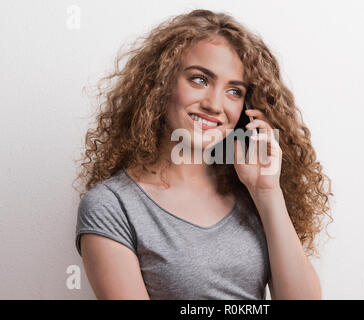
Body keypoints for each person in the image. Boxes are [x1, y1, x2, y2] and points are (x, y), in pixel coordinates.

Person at [73, 9, 333, 300]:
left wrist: (266, 191)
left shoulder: (249, 193)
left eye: (234, 91)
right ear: (160, 84)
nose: (214, 104)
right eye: (199, 80)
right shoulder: (113, 206)